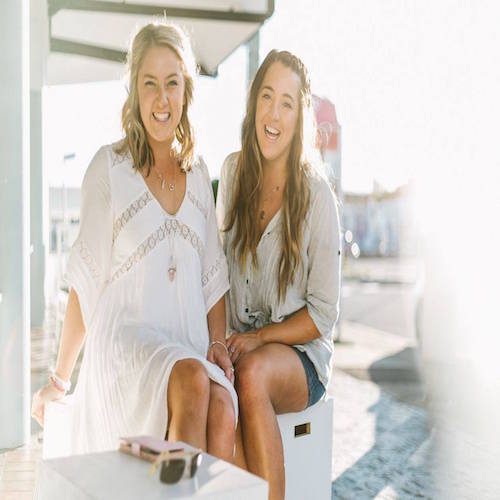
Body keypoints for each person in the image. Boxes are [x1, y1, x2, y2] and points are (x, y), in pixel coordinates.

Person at [31, 22, 236, 460]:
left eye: (172, 84)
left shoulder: (199, 175)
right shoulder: (108, 168)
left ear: (186, 91)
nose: (162, 99)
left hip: (187, 345)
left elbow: (213, 278)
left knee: (221, 405)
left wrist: (217, 342)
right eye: (150, 84)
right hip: (126, 349)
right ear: (134, 92)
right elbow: (85, 282)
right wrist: (60, 380)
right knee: (192, 382)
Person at [216, 50, 341, 499]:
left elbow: (323, 316)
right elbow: (215, 273)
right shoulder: (232, 174)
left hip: (301, 358)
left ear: (300, 117)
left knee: (250, 374)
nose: (273, 113)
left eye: (287, 102)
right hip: (240, 343)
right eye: (266, 96)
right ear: (253, 104)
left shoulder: (316, 196)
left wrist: (260, 338)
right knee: (211, 382)